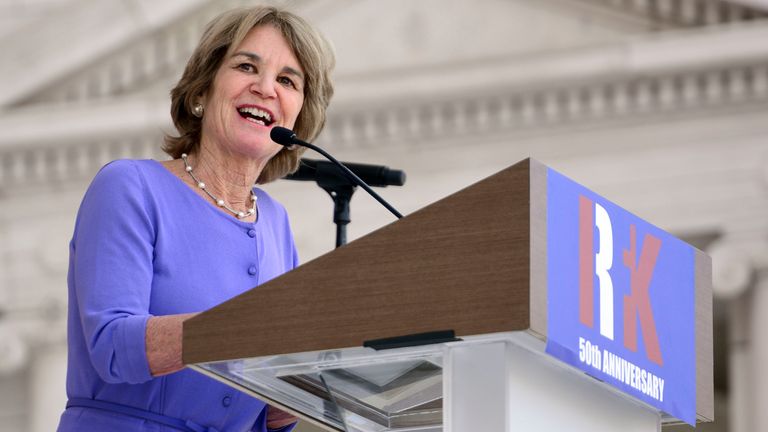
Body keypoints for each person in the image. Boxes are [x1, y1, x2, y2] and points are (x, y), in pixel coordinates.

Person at [57, 6, 334, 431]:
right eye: (246, 66)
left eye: (286, 80)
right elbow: (111, 346)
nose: (265, 88)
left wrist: (312, 383)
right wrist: (243, 330)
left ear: (298, 115)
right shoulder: (130, 187)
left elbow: (270, 413)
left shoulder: (276, 223)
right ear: (201, 92)